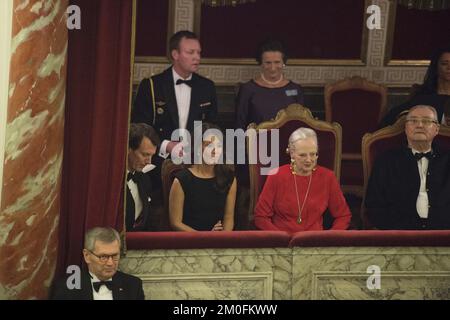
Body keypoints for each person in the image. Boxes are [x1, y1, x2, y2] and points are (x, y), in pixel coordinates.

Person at [132, 30, 218, 159]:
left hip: (195, 162)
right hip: (158, 160)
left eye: (199, 52)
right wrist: (166, 145)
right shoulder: (151, 85)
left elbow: (212, 127)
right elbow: (140, 127)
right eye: (190, 52)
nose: (197, 57)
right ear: (175, 54)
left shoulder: (207, 87)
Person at [365, 105, 450, 230]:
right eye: (413, 120)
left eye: (426, 121)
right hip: (399, 233)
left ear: (436, 129)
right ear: (406, 128)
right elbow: (374, 204)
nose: (419, 125)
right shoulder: (386, 161)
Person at [254, 128, 352, 233]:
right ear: (292, 153)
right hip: (281, 242)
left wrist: (329, 238)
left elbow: (343, 215)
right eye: (303, 155)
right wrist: (280, 238)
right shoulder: (276, 176)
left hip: (315, 242)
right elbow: (261, 216)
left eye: (313, 154)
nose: (309, 160)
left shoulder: (328, 177)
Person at [169, 123, 237, 231]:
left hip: (218, 242)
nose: (215, 151)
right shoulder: (182, 180)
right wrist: (205, 238)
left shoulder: (229, 178)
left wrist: (223, 238)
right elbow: (175, 223)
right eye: (209, 145)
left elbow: (228, 218)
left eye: (218, 146)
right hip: (190, 242)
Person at [50, 227, 145, 300]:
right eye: (103, 257)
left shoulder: (133, 285)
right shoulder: (66, 288)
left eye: (115, 256)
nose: (110, 263)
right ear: (87, 256)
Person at [235, 38, 304, 130]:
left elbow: (301, 125)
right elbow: (239, 126)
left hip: (288, 143)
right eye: (268, 63)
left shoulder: (296, 89)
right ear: (261, 63)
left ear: (284, 63)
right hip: (257, 142)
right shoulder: (248, 89)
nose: (273, 68)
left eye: (277, 62)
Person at [379, 46, 450, 128]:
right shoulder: (423, 97)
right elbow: (393, 117)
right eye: (445, 64)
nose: (449, 68)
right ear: (436, 67)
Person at [126, 123, 159, 231]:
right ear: (128, 149)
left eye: (152, 155)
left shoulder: (145, 180)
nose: (149, 161)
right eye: (145, 155)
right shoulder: (112, 182)